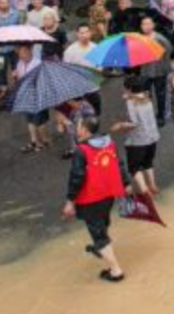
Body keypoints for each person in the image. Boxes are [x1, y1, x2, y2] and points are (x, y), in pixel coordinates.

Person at [62, 115, 129, 282]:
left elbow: (77, 177)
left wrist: (70, 201)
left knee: (98, 233)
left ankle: (115, 270)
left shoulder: (81, 151)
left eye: (78, 127)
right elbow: (119, 165)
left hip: (91, 198)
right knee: (103, 222)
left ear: (84, 130)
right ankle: (101, 247)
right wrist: (126, 184)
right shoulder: (110, 144)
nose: (77, 130)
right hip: (108, 194)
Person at [112, 78, 161, 196]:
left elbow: (134, 123)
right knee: (148, 162)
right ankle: (153, 185)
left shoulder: (131, 103)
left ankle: (145, 190)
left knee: (134, 167)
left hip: (137, 141)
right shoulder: (147, 98)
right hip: (152, 138)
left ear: (129, 89)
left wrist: (120, 125)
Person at [137, 16, 171, 125]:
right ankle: (149, 114)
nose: (146, 26)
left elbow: (168, 50)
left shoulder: (160, 38)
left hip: (159, 71)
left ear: (153, 25)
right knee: (147, 94)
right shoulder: (139, 39)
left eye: (148, 23)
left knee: (160, 94)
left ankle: (160, 115)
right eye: (143, 24)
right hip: (145, 71)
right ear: (141, 27)